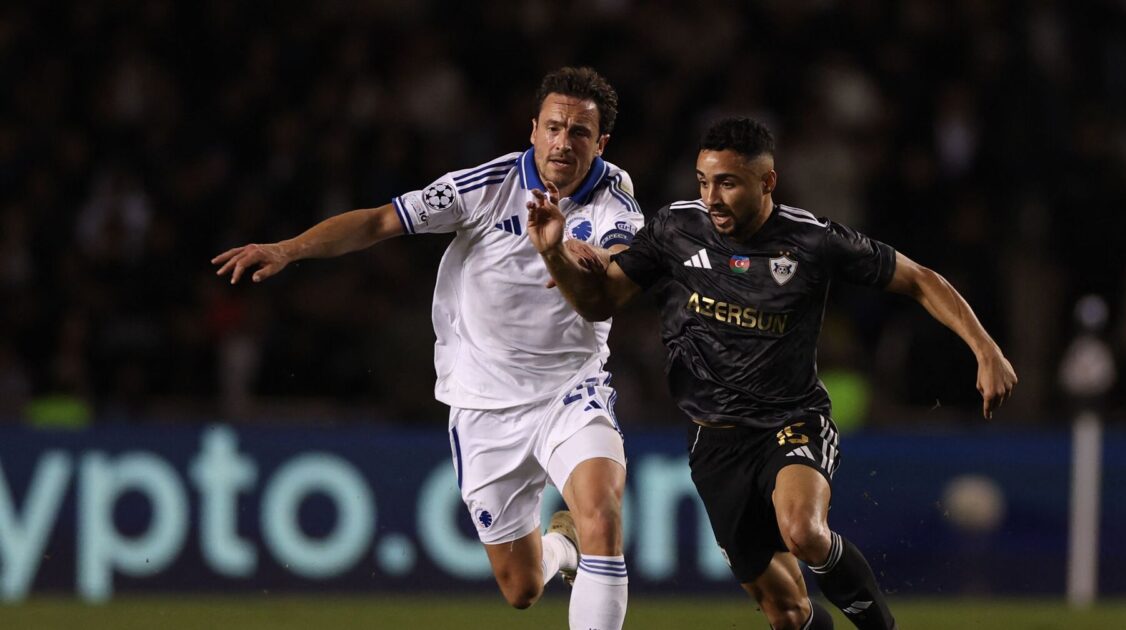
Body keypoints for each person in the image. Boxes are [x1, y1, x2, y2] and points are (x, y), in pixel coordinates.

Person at [528, 117, 1017, 630]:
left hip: (791, 420)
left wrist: (985, 350)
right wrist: (555, 255)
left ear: (767, 183)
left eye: (728, 183)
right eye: (703, 181)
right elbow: (600, 300)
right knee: (788, 611)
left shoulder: (812, 240)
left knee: (803, 530)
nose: (711, 197)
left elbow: (919, 280)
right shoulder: (675, 228)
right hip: (713, 442)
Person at [212, 67, 641, 630]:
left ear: (600, 142)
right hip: (484, 402)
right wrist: (289, 250)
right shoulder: (484, 186)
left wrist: (563, 253)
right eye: (554, 127)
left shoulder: (616, 199)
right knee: (522, 587)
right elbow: (379, 221)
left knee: (602, 516)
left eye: (580, 132)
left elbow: (606, 289)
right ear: (532, 129)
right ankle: (561, 547)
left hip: (571, 387)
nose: (564, 142)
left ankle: (581, 540)